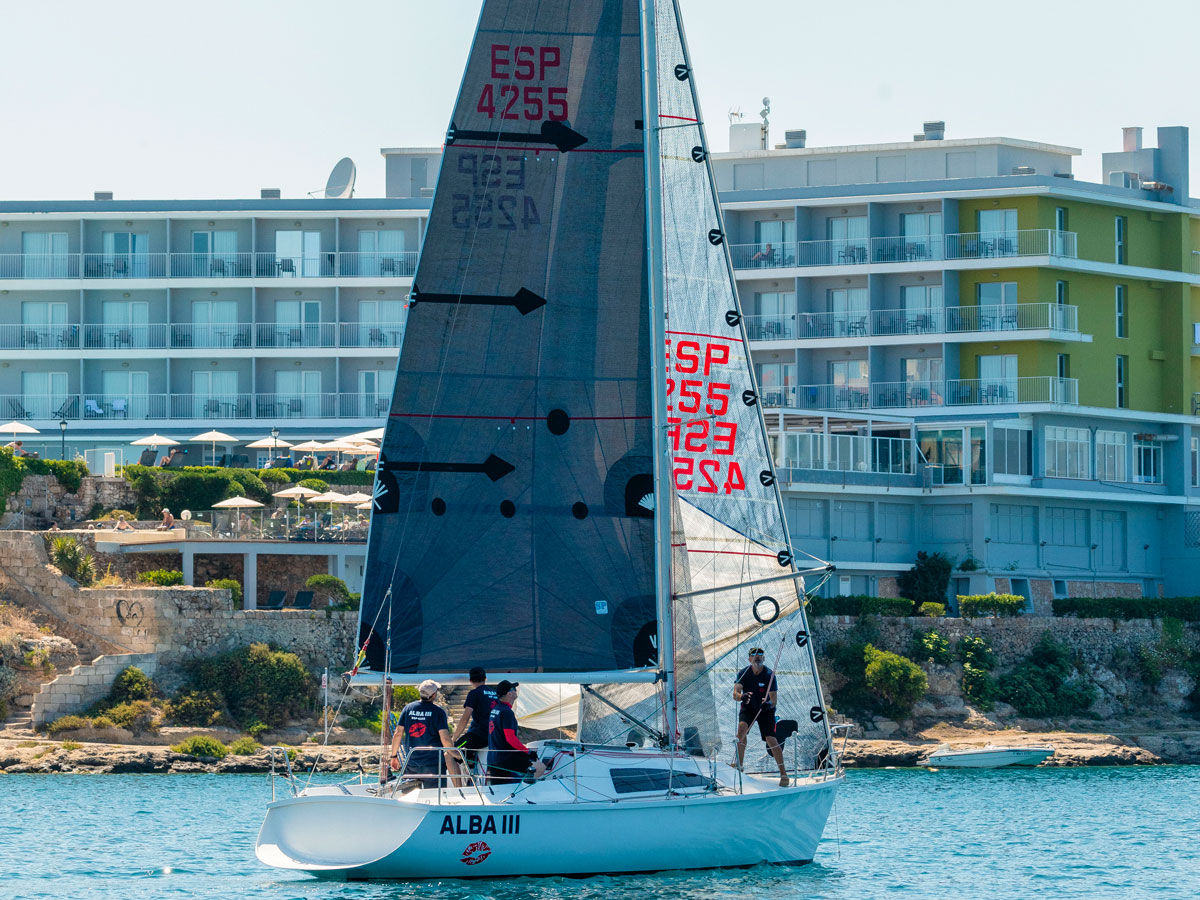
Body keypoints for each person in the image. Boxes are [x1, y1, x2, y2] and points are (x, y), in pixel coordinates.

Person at [734, 647, 789, 786]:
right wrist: (742, 696)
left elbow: (774, 700)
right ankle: (739, 767)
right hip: (749, 706)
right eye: (753, 654)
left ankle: (784, 774)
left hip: (766, 710)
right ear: (749, 659)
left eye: (760, 654)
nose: (757, 656)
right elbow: (735, 694)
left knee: (771, 739)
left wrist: (768, 704)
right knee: (741, 730)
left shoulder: (769, 675)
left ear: (763, 658)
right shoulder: (743, 673)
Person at [389, 679, 456, 785]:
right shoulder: (438, 712)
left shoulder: (408, 708)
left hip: (411, 762)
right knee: (435, 797)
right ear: (434, 695)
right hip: (433, 764)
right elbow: (445, 739)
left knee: (409, 797)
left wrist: (393, 756)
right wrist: (456, 754)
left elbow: (398, 733)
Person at [487, 681, 546, 785]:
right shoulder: (507, 712)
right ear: (509, 694)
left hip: (493, 758)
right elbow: (510, 738)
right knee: (540, 767)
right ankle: (527, 793)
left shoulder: (495, 709)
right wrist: (527, 751)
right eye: (514, 689)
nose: (516, 691)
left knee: (500, 789)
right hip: (506, 758)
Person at [451, 667, 497, 775]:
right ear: (485, 678)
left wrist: (454, 738)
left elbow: (465, 718)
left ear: (470, 681)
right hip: (493, 736)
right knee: (468, 742)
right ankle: (470, 762)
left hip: (479, 735)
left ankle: (459, 785)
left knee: (450, 752)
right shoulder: (495, 693)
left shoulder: (474, 693)